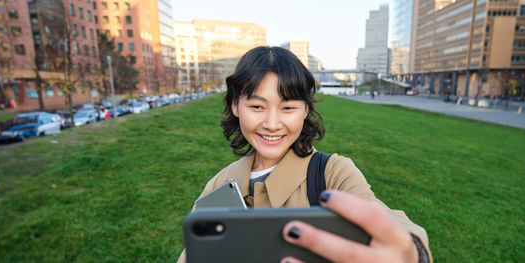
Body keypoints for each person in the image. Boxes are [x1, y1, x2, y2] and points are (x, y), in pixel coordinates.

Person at [178, 46, 431, 263]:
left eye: (288, 107)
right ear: (235, 106)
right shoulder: (218, 184)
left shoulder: (333, 173)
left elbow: (386, 221)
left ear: (305, 111)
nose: (272, 123)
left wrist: (408, 252)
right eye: (257, 106)